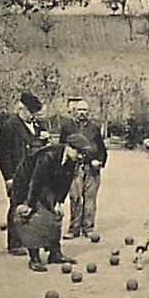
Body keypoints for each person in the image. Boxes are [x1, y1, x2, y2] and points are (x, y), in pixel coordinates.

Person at [11, 134, 93, 272]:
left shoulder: (72, 160)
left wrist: (58, 202)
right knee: (34, 218)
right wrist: (29, 204)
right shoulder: (48, 156)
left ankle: (55, 253)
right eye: (78, 152)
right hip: (26, 183)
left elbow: (65, 183)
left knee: (55, 214)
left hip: (46, 184)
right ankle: (34, 258)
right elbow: (36, 181)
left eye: (82, 154)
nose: (80, 156)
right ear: (68, 147)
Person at [0, 92, 50, 256]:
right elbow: (2, 154)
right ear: (21, 109)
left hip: (35, 174)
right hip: (18, 175)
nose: (34, 116)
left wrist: (45, 141)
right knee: (16, 206)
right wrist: (9, 177)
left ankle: (30, 239)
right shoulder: (10, 126)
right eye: (31, 112)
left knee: (33, 205)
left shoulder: (38, 126)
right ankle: (14, 243)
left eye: (35, 113)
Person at [60, 99, 108, 239]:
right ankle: (74, 229)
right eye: (79, 110)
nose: (82, 113)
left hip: (92, 169)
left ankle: (88, 227)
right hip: (74, 168)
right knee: (75, 197)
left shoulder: (94, 128)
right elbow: (62, 147)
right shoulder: (67, 127)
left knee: (90, 199)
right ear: (74, 111)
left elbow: (101, 149)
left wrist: (99, 162)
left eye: (85, 110)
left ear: (89, 112)